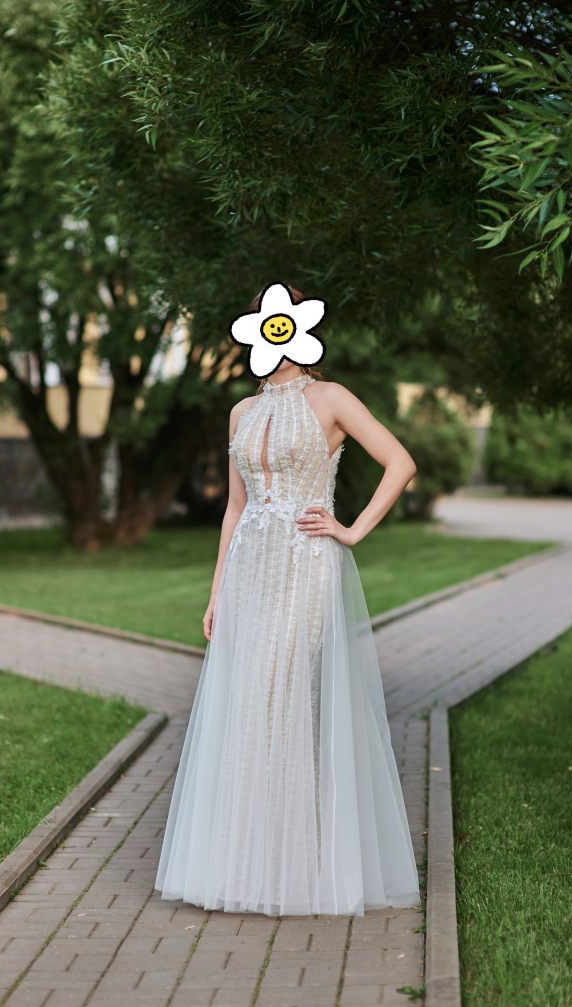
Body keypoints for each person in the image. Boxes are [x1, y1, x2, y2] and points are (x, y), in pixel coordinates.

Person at [154, 284, 421, 916]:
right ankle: (244, 863)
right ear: (254, 329)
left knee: (283, 693)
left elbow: (401, 462)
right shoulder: (241, 412)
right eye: (263, 321)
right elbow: (234, 507)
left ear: (299, 326)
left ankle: (296, 867)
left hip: (305, 564)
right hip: (249, 569)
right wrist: (216, 591)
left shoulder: (331, 398)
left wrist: (351, 530)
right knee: (248, 700)